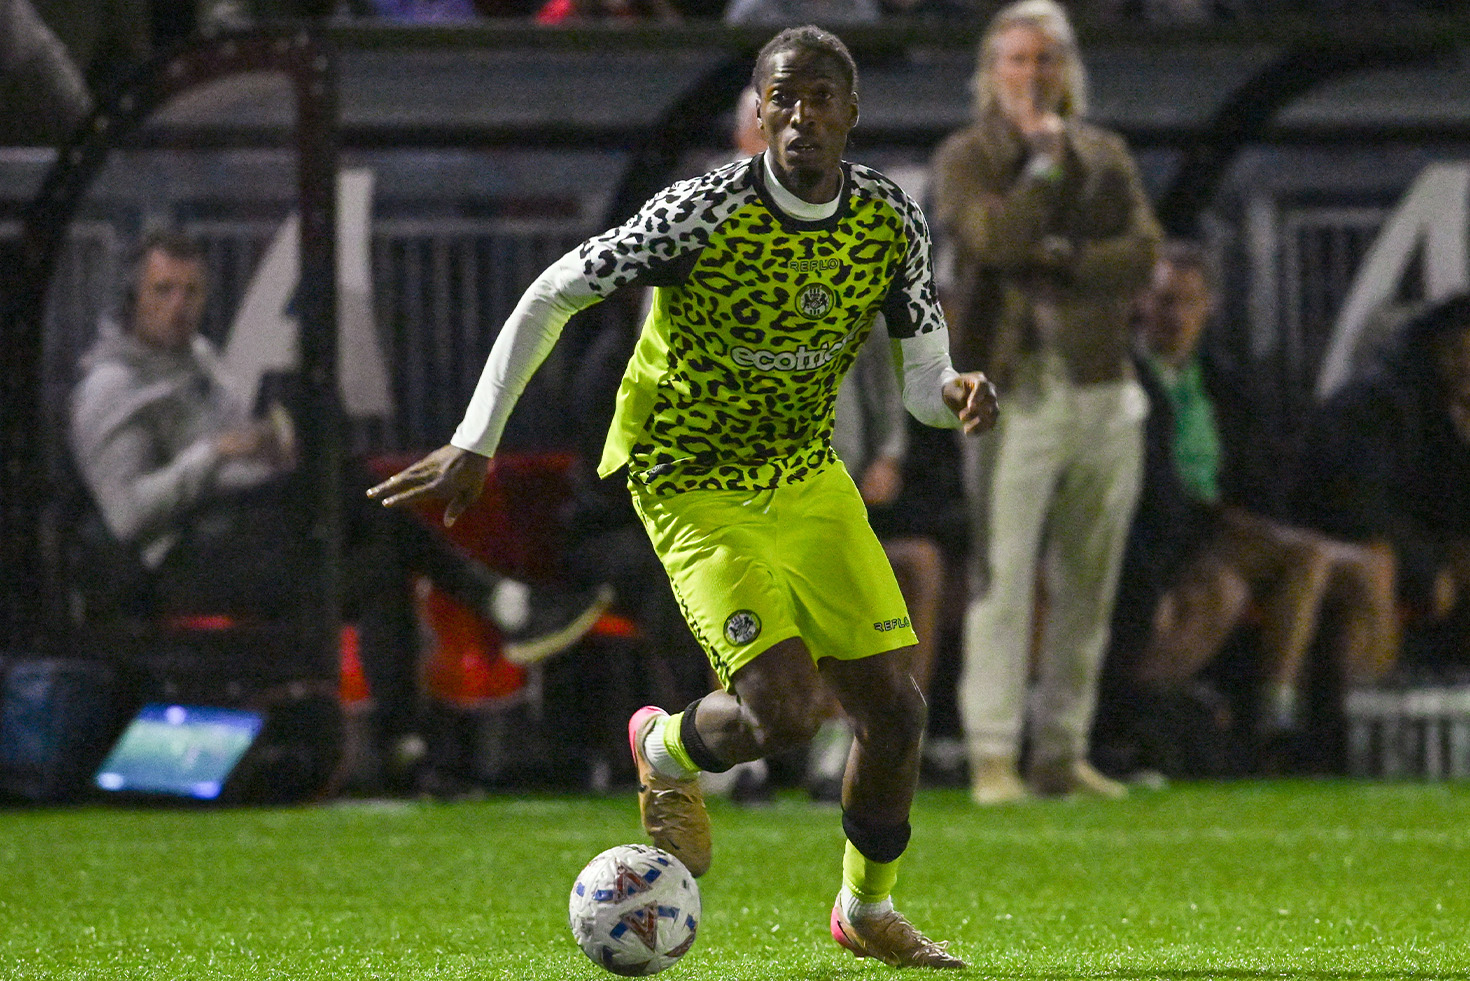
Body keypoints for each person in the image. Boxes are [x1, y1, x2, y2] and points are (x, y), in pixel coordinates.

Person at [369, 26, 995, 969]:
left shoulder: (889, 221)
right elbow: (551, 292)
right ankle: (663, 748)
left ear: (851, 114)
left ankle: (864, 911)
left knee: (895, 709)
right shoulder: (703, 212)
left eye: (819, 97)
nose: (798, 116)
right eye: (779, 98)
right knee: (783, 715)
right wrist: (475, 439)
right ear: (758, 113)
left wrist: (953, 396)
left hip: (805, 474)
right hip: (691, 479)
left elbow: (921, 379)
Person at [68, 230, 610, 794]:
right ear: (133, 296)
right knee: (350, 487)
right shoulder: (112, 387)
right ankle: (500, 599)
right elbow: (127, 516)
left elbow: (231, 466)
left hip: (235, 537)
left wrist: (263, 456)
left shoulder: (198, 361)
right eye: (163, 291)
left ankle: (406, 749)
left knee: (378, 562)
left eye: (191, 291)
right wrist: (212, 457)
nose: (178, 306)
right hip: (174, 564)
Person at [929, 0, 1161, 804]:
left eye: (1046, 60)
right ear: (992, 73)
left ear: (1068, 70)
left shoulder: (1106, 151)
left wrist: (1058, 254)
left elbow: (1142, 254)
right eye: (1017, 60)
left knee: (1088, 578)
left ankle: (1062, 748)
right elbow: (990, 242)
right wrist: (1040, 169)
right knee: (1003, 574)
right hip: (1011, 387)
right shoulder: (967, 155)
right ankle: (994, 752)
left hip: (1103, 385)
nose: (1032, 75)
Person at [1097, 242, 1399, 775]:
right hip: (1165, 537)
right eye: (1165, 300)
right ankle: (1270, 720)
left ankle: (1360, 735)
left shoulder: (1224, 384)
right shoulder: (1116, 378)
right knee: (1300, 558)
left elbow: (1263, 477)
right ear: (1140, 303)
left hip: (1232, 532)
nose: (1175, 316)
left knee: (1365, 569)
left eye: (1188, 303)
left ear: (1208, 308)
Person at [1296, 293, 1470, 677]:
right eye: (1457, 351)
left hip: (1410, 546)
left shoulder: (1447, 412)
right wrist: (1426, 566)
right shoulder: (1374, 406)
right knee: (1375, 572)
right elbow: (1357, 507)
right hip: (1342, 544)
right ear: (1430, 352)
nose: (1466, 364)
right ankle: (1360, 722)